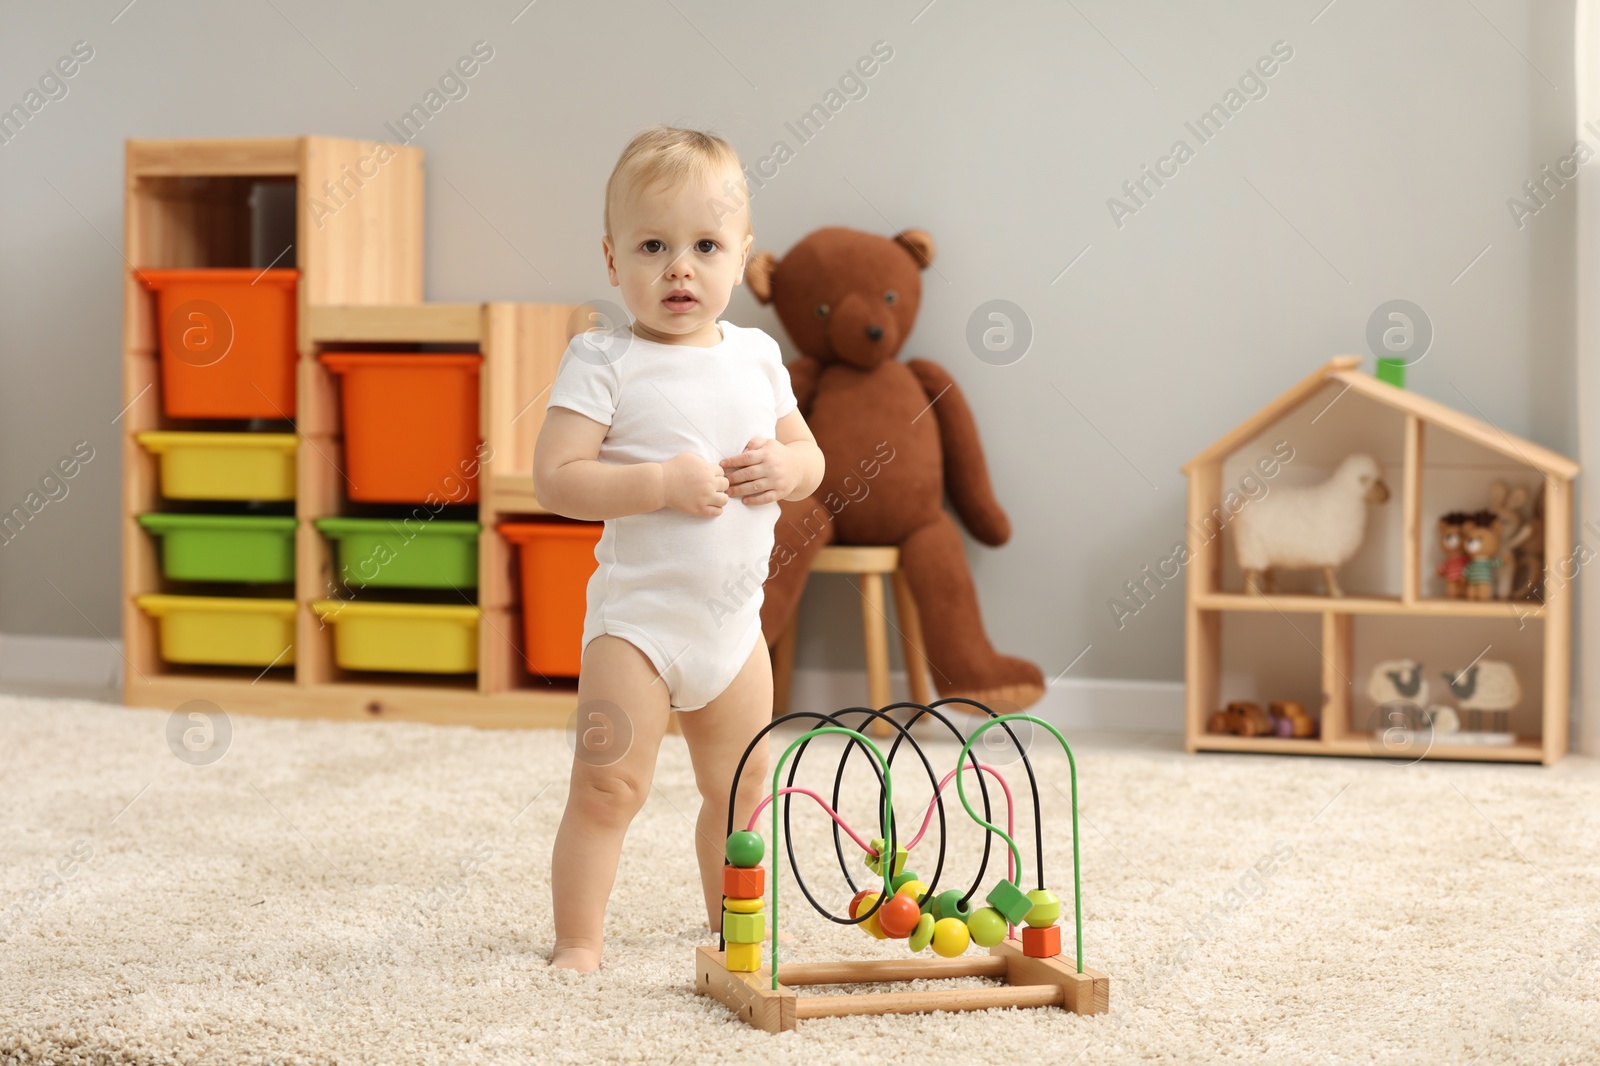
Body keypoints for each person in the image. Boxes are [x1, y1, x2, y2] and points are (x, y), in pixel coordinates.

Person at [533, 126, 825, 972]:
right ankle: (578, 941)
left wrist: (787, 467)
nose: (679, 268)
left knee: (742, 793)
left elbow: (812, 460)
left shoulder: (760, 358)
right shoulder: (604, 359)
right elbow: (557, 480)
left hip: (735, 632)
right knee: (606, 786)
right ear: (611, 257)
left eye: (705, 245)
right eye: (652, 245)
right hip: (639, 629)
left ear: (741, 258)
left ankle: (728, 927)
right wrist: (658, 485)